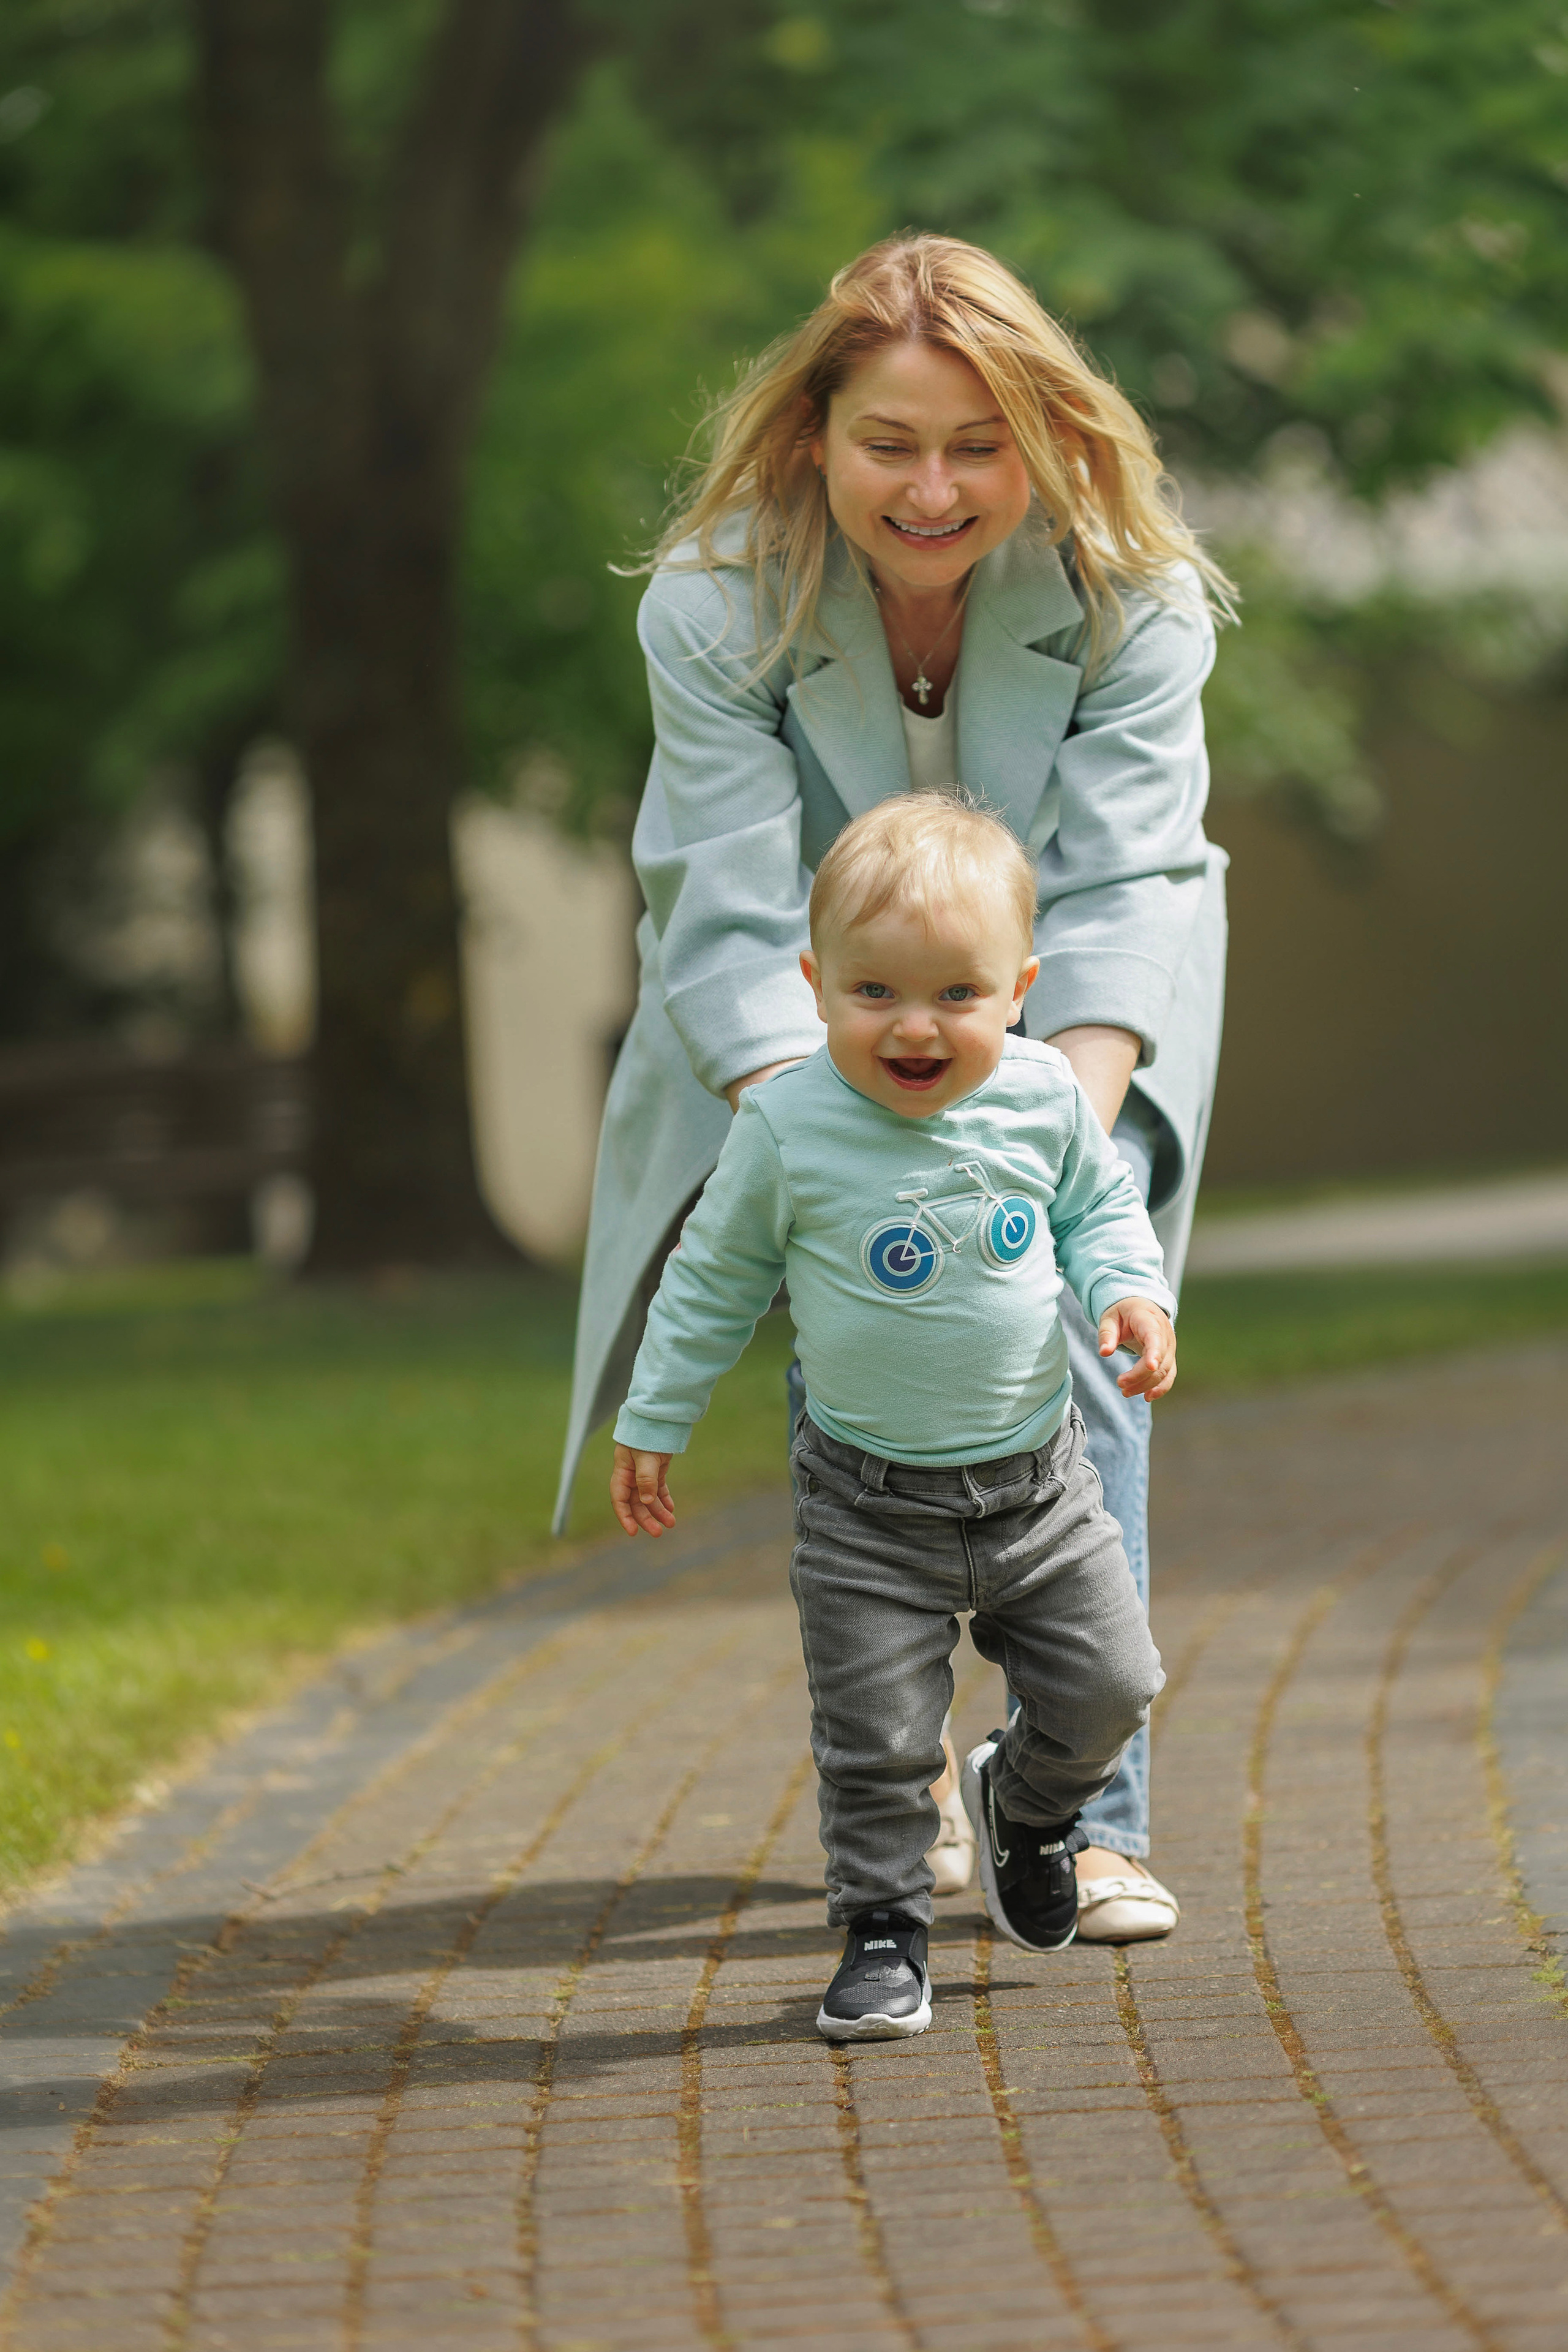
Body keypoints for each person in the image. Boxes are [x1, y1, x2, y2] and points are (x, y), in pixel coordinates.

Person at [554, 233, 1231, 1939]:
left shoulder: (1130, 589)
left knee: (1080, 1314)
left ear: (1047, 439)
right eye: (890, 444)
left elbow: (1129, 875)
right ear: (813, 440)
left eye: (978, 444)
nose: (934, 487)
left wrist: (1049, 1121)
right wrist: (835, 1142)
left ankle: (1080, 1821)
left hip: (1071, 1008)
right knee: (857, 1301)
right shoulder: (715, 602)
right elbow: (714, 891)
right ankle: (912, 1774)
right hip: (802, 1019)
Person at [610, 794, 1174, 2040]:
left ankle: (1026, 1806)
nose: (914, 1027)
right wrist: (655, 1416)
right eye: (873, 993)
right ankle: (880, 1933)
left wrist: (1130, 1295)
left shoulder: (1037, 1097)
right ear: (813, 985)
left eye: (955, 997)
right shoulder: (787, 1124)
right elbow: (713, 1278)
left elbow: (1097, 1212)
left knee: (1114, 1683)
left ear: (1017, 989)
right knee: (872, 1740)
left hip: (1037, 1489)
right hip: (866, 1505)